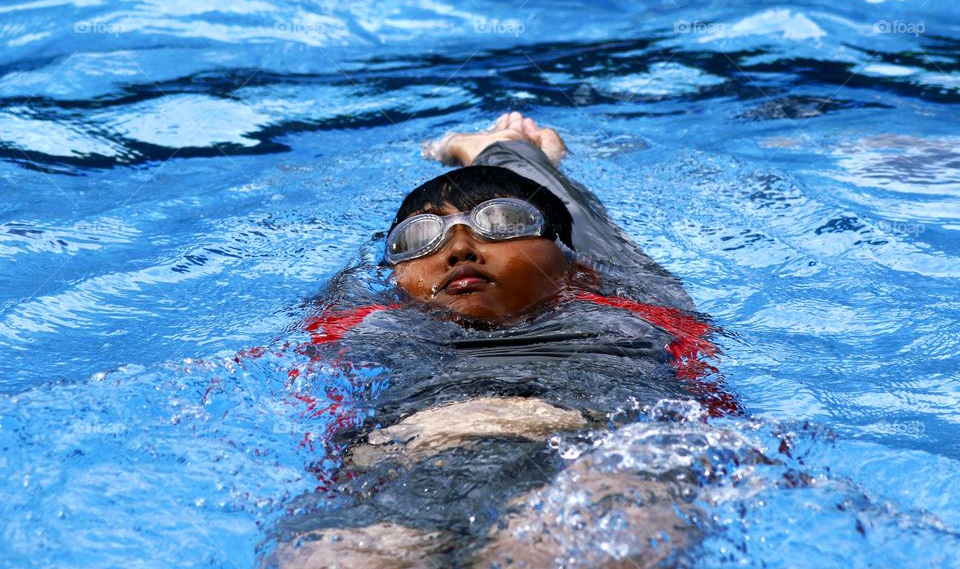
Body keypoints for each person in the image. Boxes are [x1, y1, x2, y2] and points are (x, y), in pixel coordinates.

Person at [261, 112, 740, 568]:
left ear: (580, 270)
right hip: (404, 476)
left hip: (590, 460)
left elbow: (581, 226)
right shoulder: (369, 321)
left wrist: (516, 152)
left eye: (504, 224)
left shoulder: (630, 306)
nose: (460, 249)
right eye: (420, 238)